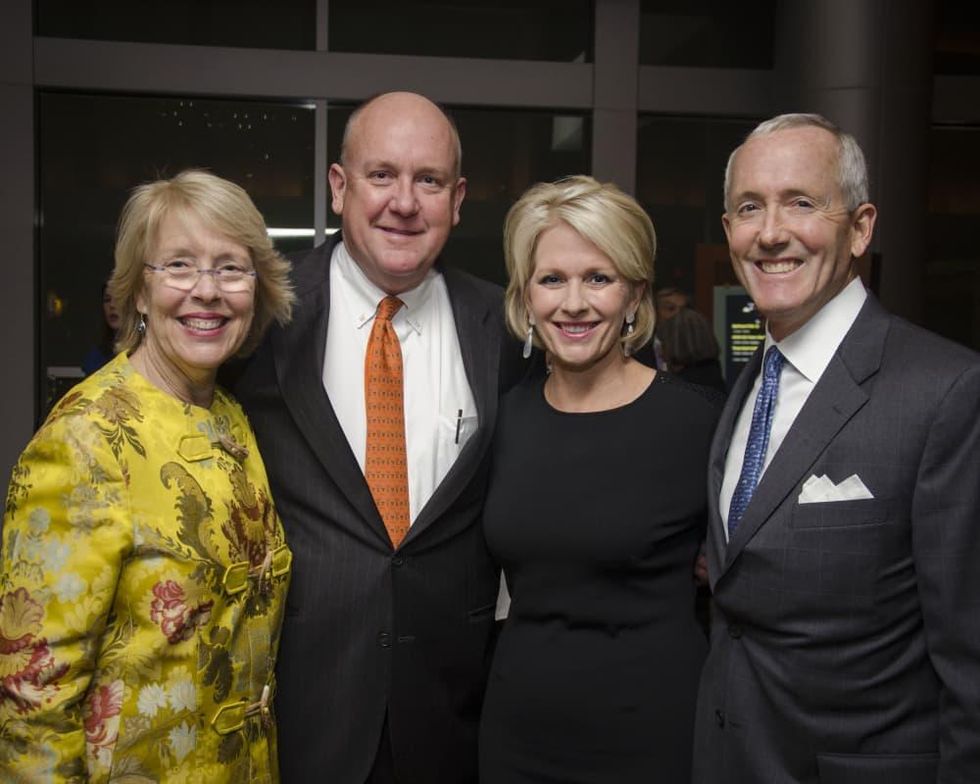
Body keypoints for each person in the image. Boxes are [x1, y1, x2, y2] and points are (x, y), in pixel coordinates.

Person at [232, 91, 522, 783]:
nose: (404, 202)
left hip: (453, 715)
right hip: (303, 709)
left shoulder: (507, 327)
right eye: (382, 174)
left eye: (429, 180)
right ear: (340, 187)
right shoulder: (262, 317)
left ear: (457, 199)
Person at [693, 114, 980, 783]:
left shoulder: (947, 392)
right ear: (729, 230)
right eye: (749, 208)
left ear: (860, 228)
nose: (771, 232)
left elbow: (971, 663)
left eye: (801, 202)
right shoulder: (748, 383)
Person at [0, 170, 295, 781]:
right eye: (179, 266)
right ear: (138, 291)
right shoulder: (83, 438)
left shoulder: (232, 416)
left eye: (230, 269)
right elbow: (30, 699)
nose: (207, 290)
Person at [479, 175, 721, 783]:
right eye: (551, 279)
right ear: (526, 295)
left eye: (598, 278)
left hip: (651, 738)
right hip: (517, 735)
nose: (574, 303)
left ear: (634, 293)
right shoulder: (503, 420)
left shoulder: (698, 424)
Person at [657, 306, 726, 394]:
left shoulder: (681, 389)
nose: (661, 354)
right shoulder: (714, 376)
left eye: (664, 345)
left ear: (677, 345)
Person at [81, 280, 121, 375]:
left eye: (119, 299)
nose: (112, 305)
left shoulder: (146, 353)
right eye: (107, 300)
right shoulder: (95, 358)